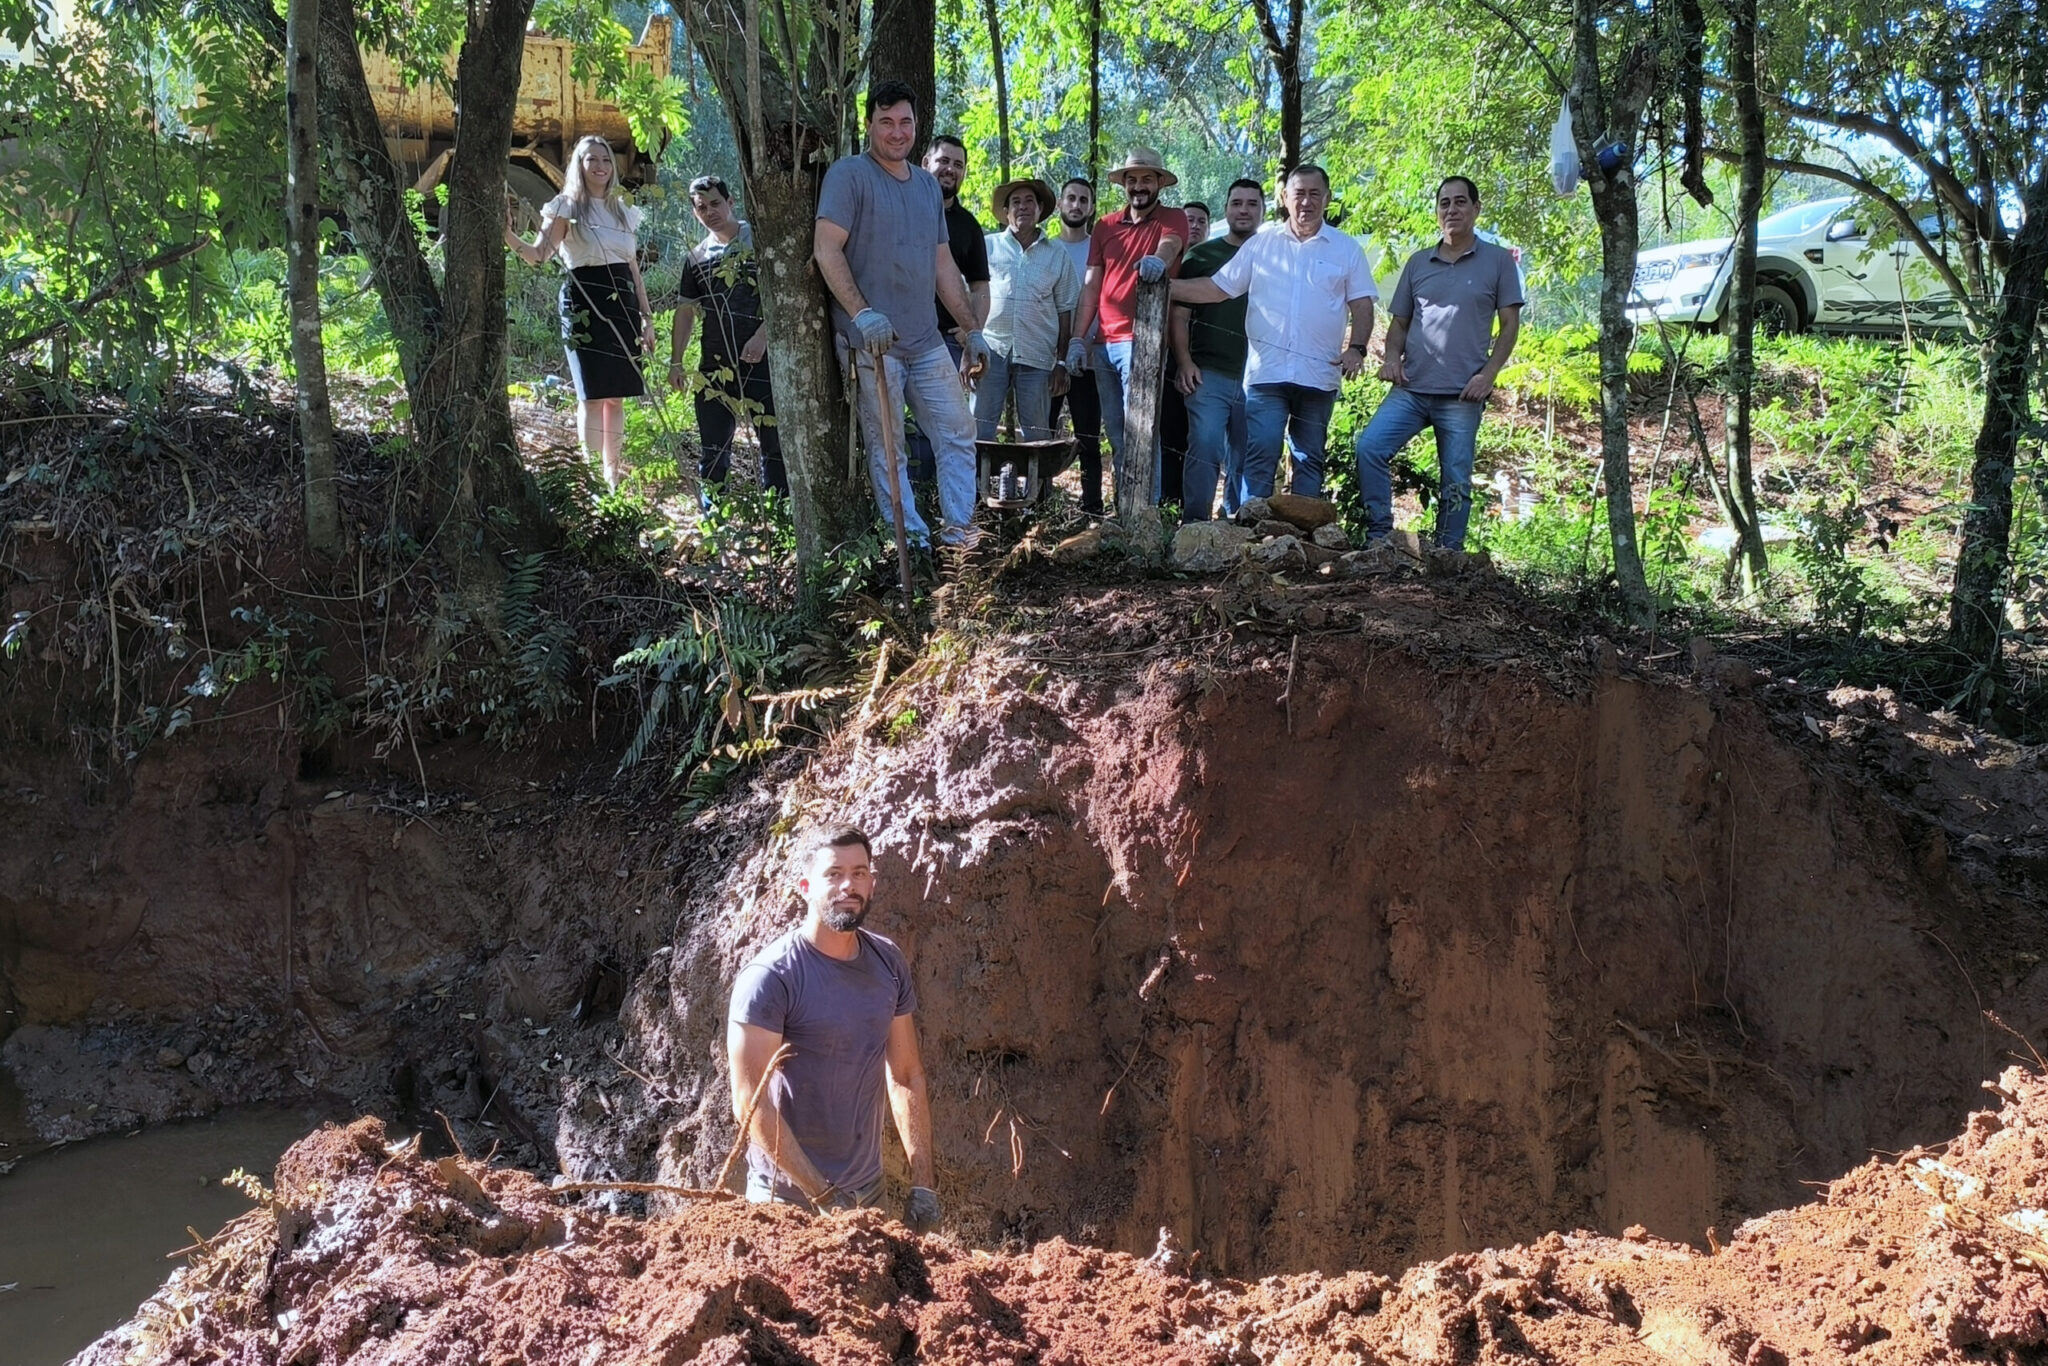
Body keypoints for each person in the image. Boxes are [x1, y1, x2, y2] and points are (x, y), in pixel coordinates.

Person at [726, 827, 939, 1231]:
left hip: (868, 1193)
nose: (848, 885)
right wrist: (823, 1196)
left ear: (872, 883)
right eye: (834, 874)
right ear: (806, 886)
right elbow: (749, 1103)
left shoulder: (888, 963)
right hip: (785, 1202)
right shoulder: (771, 977)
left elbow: (907, 1074)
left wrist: (924, 1184)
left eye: (860, 873)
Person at [815, 81, 991, 548]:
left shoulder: (927, 187)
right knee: (888, 444)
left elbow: (943, 265)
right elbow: (826, 249)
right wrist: (861, 313)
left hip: (927, 339)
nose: (896, 132)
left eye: (905, 122)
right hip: (874, 342)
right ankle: (909, 540)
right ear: (869, 124)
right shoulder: (848, 175)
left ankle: (959, 533)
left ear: (917, 126)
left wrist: (972, 331)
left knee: (957, 431)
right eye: (886, 121)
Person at [1170, 164, 1376, 501]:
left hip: (1319, 375)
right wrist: (1164, 287)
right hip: (1267, 374)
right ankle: (1255, 536)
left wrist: (1358, 347)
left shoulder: (1346, 248)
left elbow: (1362, 304)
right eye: (1299, 194)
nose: (1306, 202)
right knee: (1260, 455)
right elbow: (1217, 289)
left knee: (1309, 458)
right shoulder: (1261, 245)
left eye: (1314, 194)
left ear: (1326, 198)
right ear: (1284, 198)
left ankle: (1303, 536)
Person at [1356, 176, 1524, 550]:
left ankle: (1447, 556)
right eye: (1445, 203)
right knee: (1369, 447)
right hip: (1412, 389)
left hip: (1462, 395)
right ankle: (1379, 538)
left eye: (1461, 202)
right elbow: (1399, 324)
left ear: (1476, 209)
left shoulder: (1498, 261)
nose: (1452, 209)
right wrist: (1392, 359)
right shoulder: (1418, 263)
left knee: (1456, 481)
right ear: (1437, 212)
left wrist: (1488, 375)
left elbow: (1510, 325)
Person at [504, 135, 654, 489]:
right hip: (583, 302)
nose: (600, 166)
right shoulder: (566, 206)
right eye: (592, 160)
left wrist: (646, 318)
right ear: (579, 165)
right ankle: (590, 482)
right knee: (592, 393)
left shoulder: (623, 210)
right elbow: (540, 255)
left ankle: (612, 478)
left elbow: (633, 270)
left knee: (616, 395)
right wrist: (506, 235)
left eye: (606, 159)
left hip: (623, 305)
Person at [1067, 148, 1188, 502]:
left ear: (1159, 183)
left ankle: (1145, 516)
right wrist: (1078, 338)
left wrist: (1159, 262)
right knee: (1118, 434)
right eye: (1132, 179)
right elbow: (1092, 284)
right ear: (1123, 184)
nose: (1139, 186)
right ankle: (1126, 508)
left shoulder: (1172, 218)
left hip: (1142, 341)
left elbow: (1171, 244)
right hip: (1104, 343)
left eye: (1146, 179)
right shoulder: (1104, 226)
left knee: (1143, 431)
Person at [668, 174, 787, 502]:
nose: (710, 212)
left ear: (731, 202)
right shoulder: (696, 258)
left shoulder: (758, 241)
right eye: (702, 207)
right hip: (715, 363)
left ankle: (779, 513)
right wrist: (676, 361)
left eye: (716, 203)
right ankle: (715, 517)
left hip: (762, 361)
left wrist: (763, 336)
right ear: (695, 213)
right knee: (713, 447)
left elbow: (782, 293)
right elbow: (685, 312)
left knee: (773, 444)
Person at [1170, 179, 1262, 520]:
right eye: (1237, 202)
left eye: (1252, 204)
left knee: (1246, 453)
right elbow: (1178, 315)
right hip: (1208, 372)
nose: (1243, 210)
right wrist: (1184, 361)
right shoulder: (1202, 255)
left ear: (1262, 210)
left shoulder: (1272, 253)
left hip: (1259, 376)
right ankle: (1194, 524)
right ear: (1226, 208)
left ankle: (1237, 525)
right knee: (1205, 447)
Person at [907, 135, 992, 483]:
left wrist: (972, 335)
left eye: (958, 165)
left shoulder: (968, 226)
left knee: (947, 429)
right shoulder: (902, 207)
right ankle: (906, 509)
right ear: (926, 162)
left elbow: (980, 288)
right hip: (896, 335)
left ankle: (944, 506)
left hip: (946, 343)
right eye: (943, 161)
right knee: (894, 427)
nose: (950, 170)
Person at [976, 176, 1079, 442]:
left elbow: (1065, 309)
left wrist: (1060, 363)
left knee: (1037, 438)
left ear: (1039, 209)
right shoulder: (987, 247)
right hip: (990, 351)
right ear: (1006, 211)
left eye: (1029, 201)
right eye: (1016, 202)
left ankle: (1035, 485)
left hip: (1037, 356)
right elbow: (970, 295)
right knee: (978, 430)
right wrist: (969, 343)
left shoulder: (1056, 253)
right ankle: (974, 483)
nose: (1023, 207)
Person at [1048, 178, 1106, 514]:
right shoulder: (1047, 248)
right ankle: (1039, 503)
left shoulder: (1097, 249)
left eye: (1084, 199)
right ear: (1059, 203)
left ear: (1092, 206)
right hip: (1047, 356)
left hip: (1088, 355)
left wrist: (1083, 343)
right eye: (1071, 198)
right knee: (1042, 433)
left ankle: (1092, 508)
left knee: (1088, 436)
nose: (1077, 205)